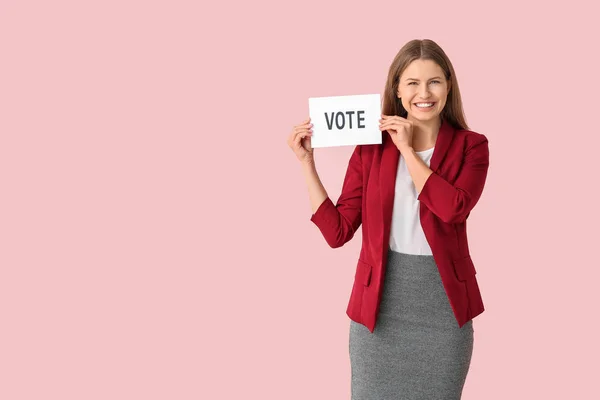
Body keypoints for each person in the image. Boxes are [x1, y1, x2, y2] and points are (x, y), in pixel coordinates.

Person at [287, 39, 489, 399]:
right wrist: (307, 164)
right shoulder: (371, 147)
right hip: (377, 312)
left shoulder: (472, 147)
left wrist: (408, 151)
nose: (423, 93)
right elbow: (338, 232)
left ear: (448, 87)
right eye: (412, 83)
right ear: (397, 89)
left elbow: (453, 209)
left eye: (434, 81)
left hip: (443, 314)